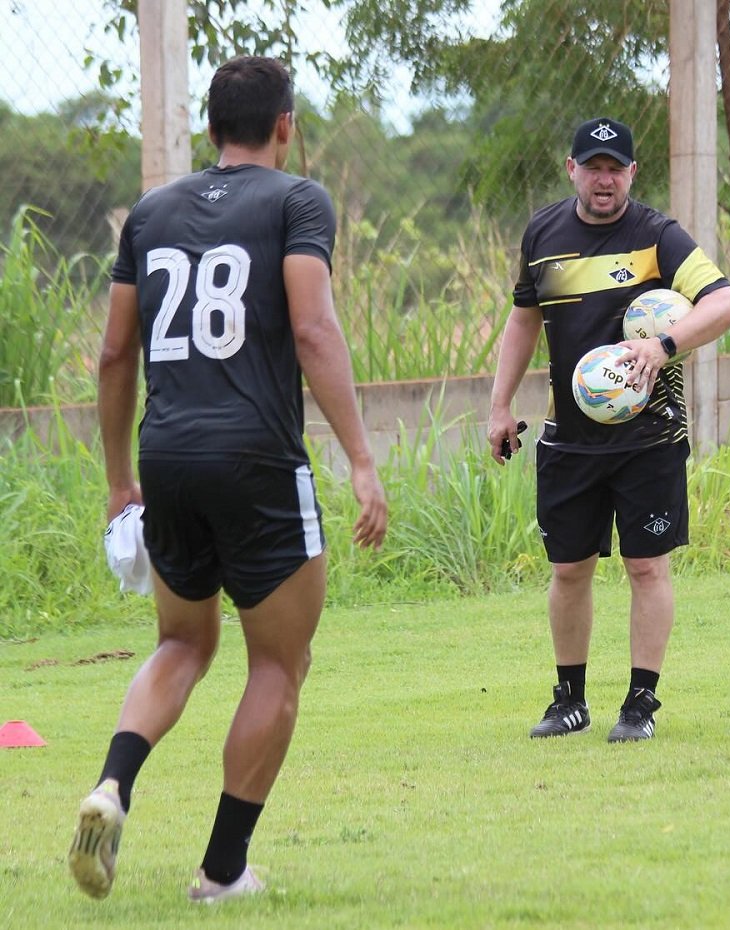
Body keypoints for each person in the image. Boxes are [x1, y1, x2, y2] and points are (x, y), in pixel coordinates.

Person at [70, 55, 388, 902]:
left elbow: (112, 354)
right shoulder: (296, 201)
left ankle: (112, 785)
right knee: (278, 664)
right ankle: (220, 873)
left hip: (166, 456)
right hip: (256, 459)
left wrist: (116, 480)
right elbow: (314, 330)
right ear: (285, 125)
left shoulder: (151, 211)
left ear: (209, 127)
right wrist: (361, 458)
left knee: (182, 642)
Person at [488, 117, 730, 742]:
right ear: (571, 169)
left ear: (633, 173)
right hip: (568, 437)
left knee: (646, 566)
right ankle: (569, 700)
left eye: (616, 168)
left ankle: (640, 704)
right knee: (569, 569)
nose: (604, 179)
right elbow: (523, 321)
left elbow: (726, 303)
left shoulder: (657, 236)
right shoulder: (543, 234)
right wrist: (498, 406)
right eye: (593, 166)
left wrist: (666, 344)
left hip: (647, 438)